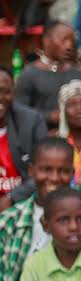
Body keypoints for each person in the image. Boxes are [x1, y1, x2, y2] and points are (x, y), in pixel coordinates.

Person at [0, 138, 81, 281]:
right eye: (46, 170)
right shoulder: (11, 221)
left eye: (63, 171)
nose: (54, 178)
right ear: (31, 170)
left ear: (73, 172)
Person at [15, 23, 81, 129]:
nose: (69, 46)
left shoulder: (78, 75)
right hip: (39, 140)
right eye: (64, 40)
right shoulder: (29, 74)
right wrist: (50, 117)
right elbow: (19, 113)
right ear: (46, 40)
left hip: (72, 142)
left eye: (72, 41)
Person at [0, 68, 46, 210]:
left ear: (13, 93)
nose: (0, 97)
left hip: (22, 202)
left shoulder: (31, 121)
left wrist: (12, 197)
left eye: (5, 91)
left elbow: (44, 171)